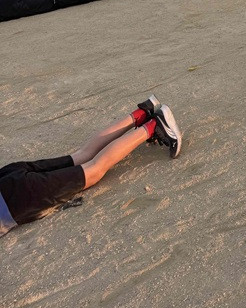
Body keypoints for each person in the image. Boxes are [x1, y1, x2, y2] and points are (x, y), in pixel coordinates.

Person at [0, 96, 181, 237]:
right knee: (81, 156)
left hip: (14, 201)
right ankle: (141, 113)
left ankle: (155, 125)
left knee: (94, 169)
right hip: (7, 177)